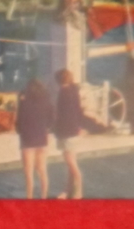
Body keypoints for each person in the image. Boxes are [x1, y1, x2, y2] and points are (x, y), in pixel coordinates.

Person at [15, 78, 53, 199]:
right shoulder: (47, 102)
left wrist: (20, 131)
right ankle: (44, 197)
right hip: (42, 138)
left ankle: (29, 198)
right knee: (42, 171)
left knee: (29, 173)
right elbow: (52, 120)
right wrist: (46, 128)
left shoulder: (24, 103)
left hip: (27, 139)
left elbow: (19, 121)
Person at [54, 69, 85, 199]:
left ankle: (78, 192)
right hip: (74, 129)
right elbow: (78, 110)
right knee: (71, 162)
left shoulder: (63, 92)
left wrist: (54, 129)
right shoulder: (74, 90)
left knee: (71, 162)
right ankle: (68, 190)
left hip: (66, 131)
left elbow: (61, 115)